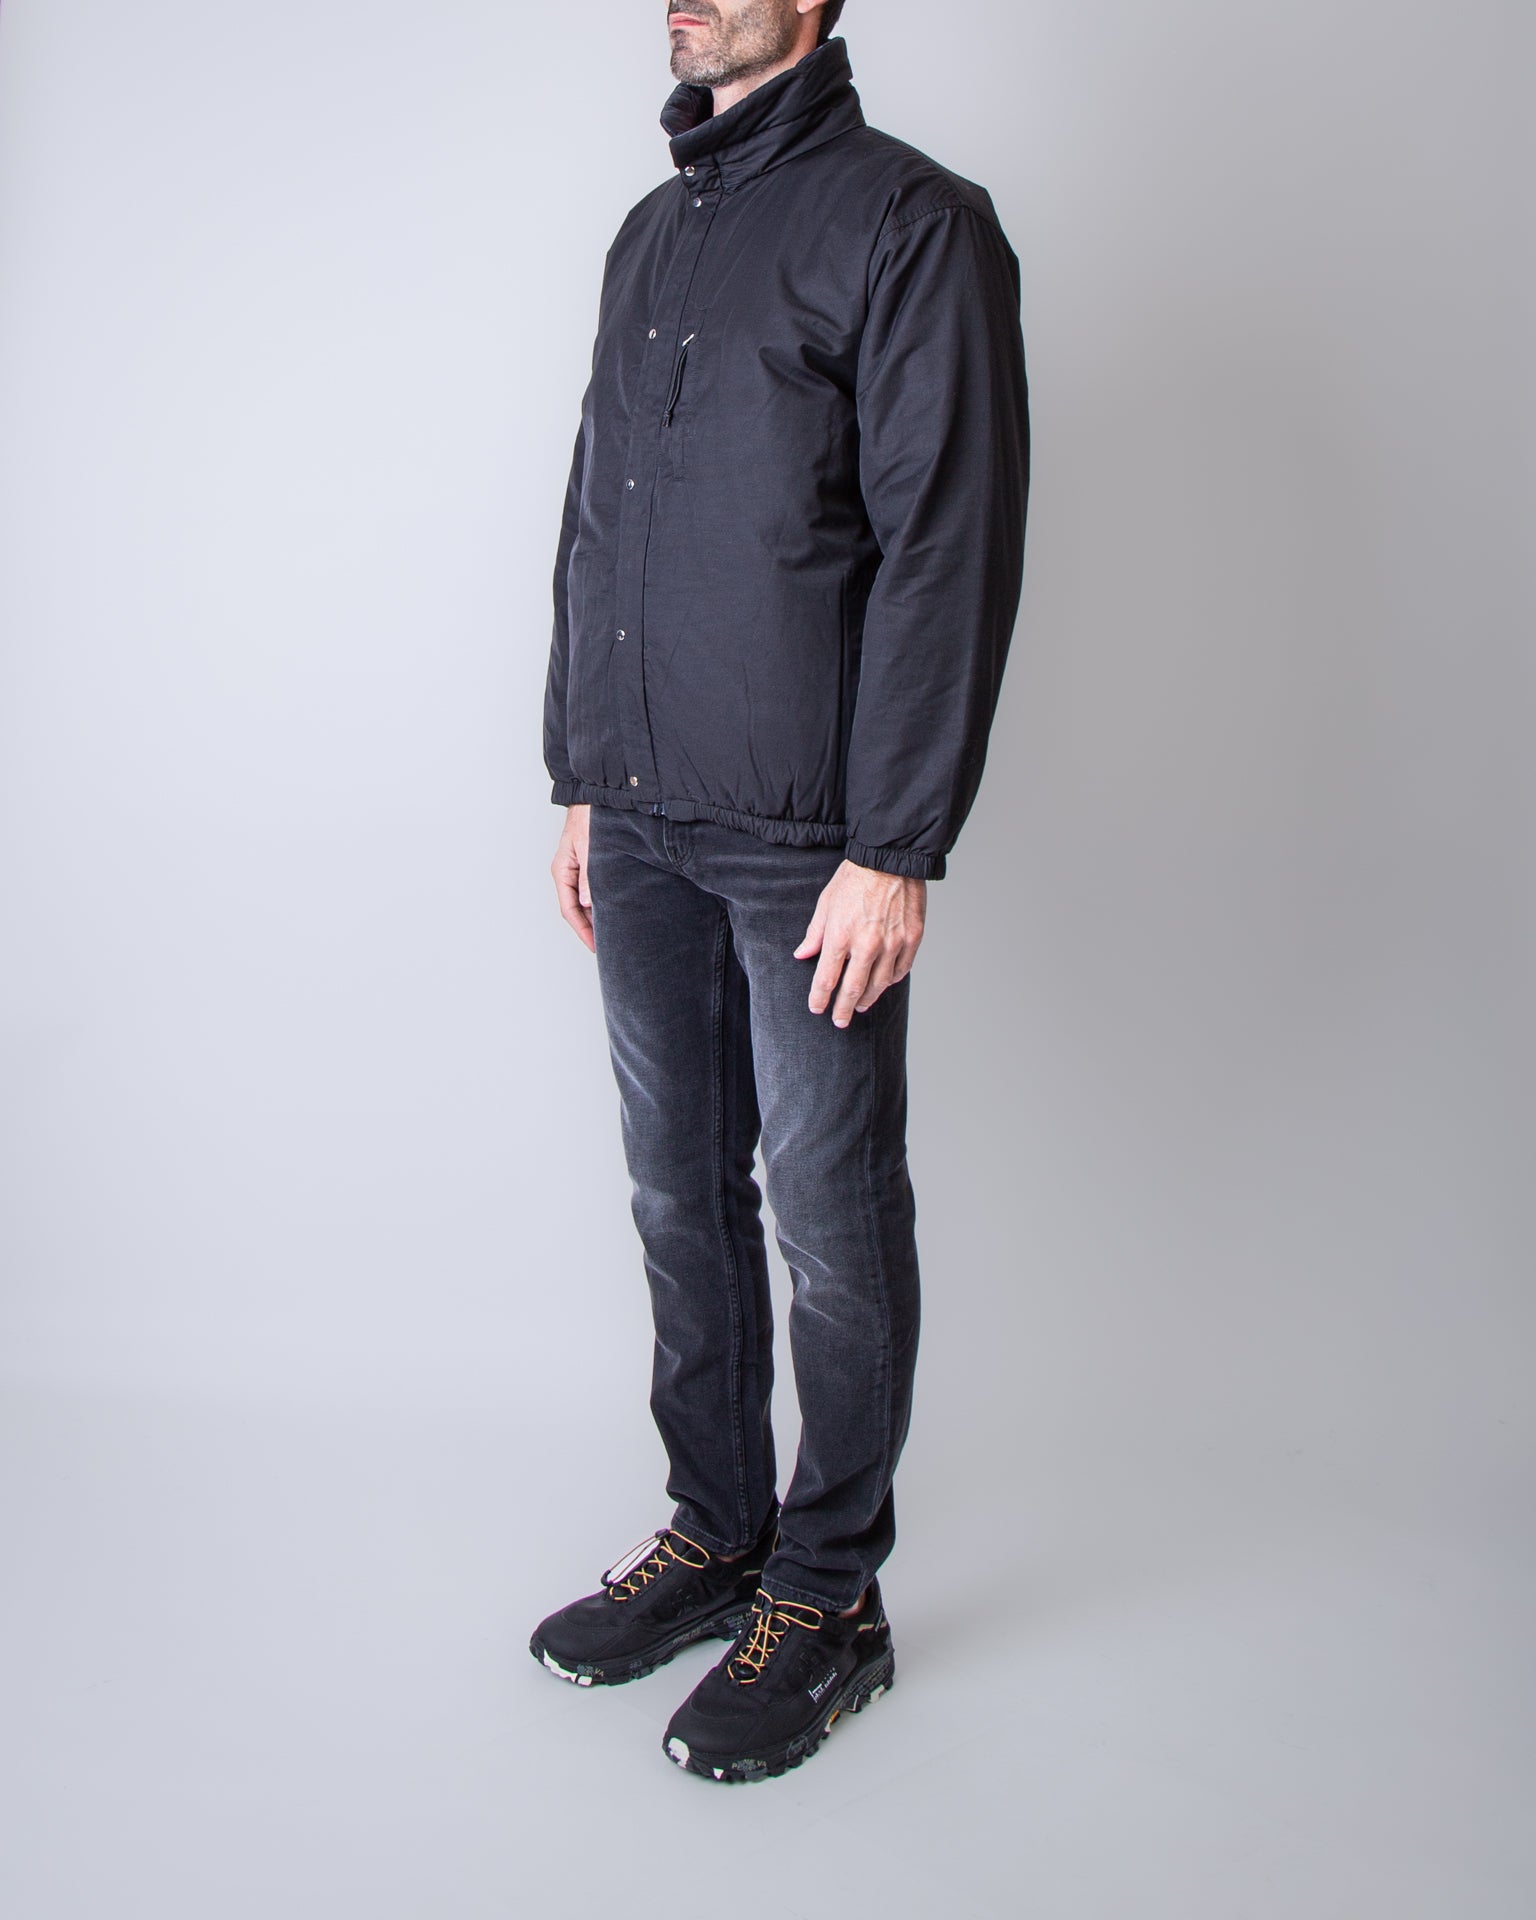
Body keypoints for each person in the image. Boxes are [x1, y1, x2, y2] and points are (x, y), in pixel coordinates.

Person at [531, 0, 1029, 1784]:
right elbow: (600, 506)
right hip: (642, 813)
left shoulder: (913, 221)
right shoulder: (650, 232)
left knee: (829, 1216)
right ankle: (717, 1531)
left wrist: (896, 842)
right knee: (680, 1195)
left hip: (812, 838)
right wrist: (580, 769)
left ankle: (830, 1596)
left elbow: (947, 541)